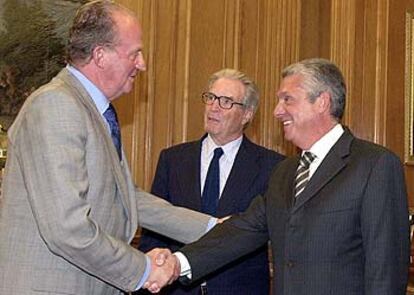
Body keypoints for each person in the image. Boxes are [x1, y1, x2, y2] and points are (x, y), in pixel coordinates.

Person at [0, 1, 216, 294]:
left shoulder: (93, 111)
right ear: (100, 55)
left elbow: (126, 197)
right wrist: (144, 269)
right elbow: (67, 229)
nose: (142, 64)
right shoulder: (56, 106)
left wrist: (214, 228)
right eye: (134, 53)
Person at [150, 58, 411, 294]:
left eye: (288, 99)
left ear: (321, 101)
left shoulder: (374, 165)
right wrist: (178, 262)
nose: (277, 111)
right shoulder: (285, 171)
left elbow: (385, 273)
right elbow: (243, 229)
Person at [138, 69, 285, 294]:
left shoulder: (272, 166)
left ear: (247, 114)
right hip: (177, 289)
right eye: (211, 98)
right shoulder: (173, 159)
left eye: (226, 101)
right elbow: (153, 230)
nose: (214, 107)